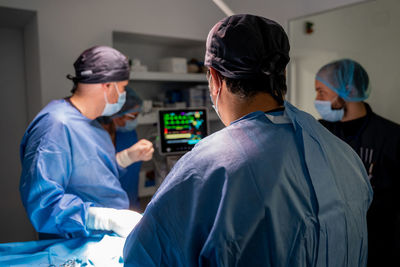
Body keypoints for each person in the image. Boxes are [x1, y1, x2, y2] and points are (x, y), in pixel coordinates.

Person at [123, 15, 372, 266]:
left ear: (215, 79)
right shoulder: (343, 153)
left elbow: (143, 256)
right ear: (281, 73)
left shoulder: (207, 166)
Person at [20, 46, 153, 239]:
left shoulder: (95, 125)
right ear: (107, 85)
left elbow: (91, 175)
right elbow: (43, 204)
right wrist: (103, 219)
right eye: (123, 88)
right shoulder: (55, 125)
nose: (123, 95)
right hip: (76, 242)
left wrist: (124, 159)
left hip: (105, 238)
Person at [314, 59, 400, 266]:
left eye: (321, 92)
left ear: (346, 91)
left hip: (379, 245)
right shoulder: (318, 133)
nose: (317, 99)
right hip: (330, 244)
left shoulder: (391, 137)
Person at [97, 87, 153, 211]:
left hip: (130, 203)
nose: (135, 121)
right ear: (117, 115)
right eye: (133, 116)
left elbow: (132, 176)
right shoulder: (93, 137)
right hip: (103, 208)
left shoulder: (128, 134)